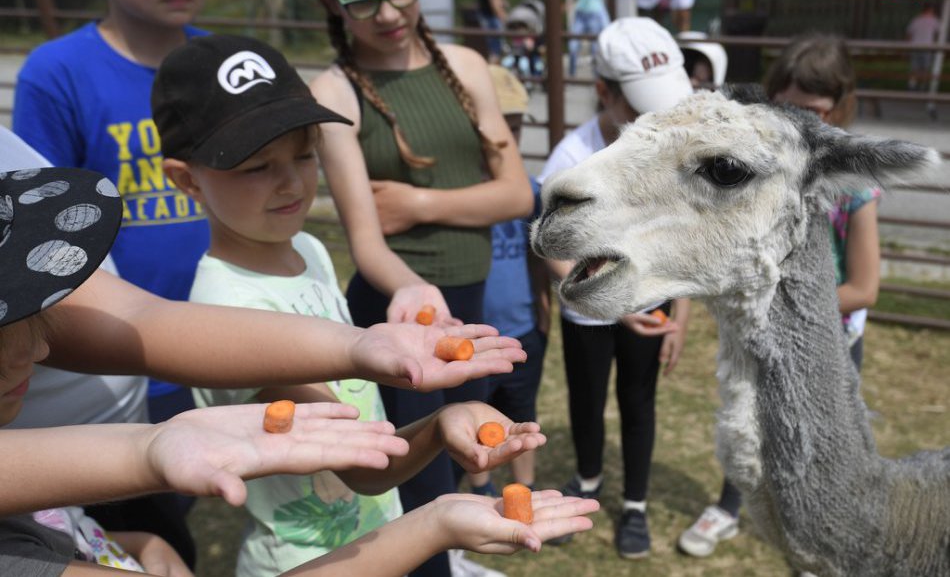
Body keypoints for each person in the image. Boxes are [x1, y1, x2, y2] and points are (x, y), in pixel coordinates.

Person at [0, 163, 599, 575]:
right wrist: (436, 523)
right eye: (8, 323)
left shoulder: (310, 251)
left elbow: (140, 316)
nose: (41, 350)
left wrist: (359, 347)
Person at [153, 34, 545, 577]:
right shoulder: (226, 307)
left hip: (373, 537)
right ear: (185, 180)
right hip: (309, 558)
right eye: (256, 167)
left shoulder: (307, 249)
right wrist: (440, 423)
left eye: (304, 153)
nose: (291, 181)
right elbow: (362, 469)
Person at [306, 0, 534, 574]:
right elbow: (368, 244)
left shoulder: (464, 65)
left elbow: (515, 193)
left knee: (459, 459)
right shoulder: (337, 92)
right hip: (404, 313)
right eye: (363, 0)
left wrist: (417, 201)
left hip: (469, 303)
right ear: (330, 0)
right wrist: (417, 290)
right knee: (415, 484)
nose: (388, 13)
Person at [9, 0, 226, 562]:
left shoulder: (216, 61)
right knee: (123, 518)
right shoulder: (58, 72)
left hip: (215, 334)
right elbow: (38, 232)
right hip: (117, 356)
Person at [677, 34, 880, 565]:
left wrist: (787, 306)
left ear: (837, 106)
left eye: (812, 110)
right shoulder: (753, 171)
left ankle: (820, 525)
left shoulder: (851, 184)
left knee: (816, 439)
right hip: (763, 336)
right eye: (786, 108)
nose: (798, 119)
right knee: (749, 421)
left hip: (829, 340)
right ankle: (728, 506)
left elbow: (864, 286)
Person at [537, 17, 692, 560]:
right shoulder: (569, 162)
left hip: (648, 304)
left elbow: (680, 234)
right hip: (589, 310)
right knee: (587, 395)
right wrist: (607, 300)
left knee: (638, 399)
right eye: (640, 107)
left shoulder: (666, 153)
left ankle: (636, 505)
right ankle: (587, 482)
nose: (655, 121)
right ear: (603, 92)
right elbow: (555, 250)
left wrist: (682, 312)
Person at [468, 66, 551, 501]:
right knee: (477, 416)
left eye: (517, 127)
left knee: (522, 411)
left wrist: (543, 310)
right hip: (474, 340)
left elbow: (541, 255)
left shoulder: (531, 191)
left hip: (521, 332)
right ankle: (481, 486)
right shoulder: (456, 196)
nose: (509, 139)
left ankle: (527, 488)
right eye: (503, 126)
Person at [906, 2, 940, 92]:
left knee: (914, 68)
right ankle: (922, 86)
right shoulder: (934, 21)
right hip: (927, 47)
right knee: (925, 68)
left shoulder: (916, 20)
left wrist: (908, 46)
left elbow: (909, 34)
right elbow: (938, 34)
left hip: (915, 46)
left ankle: (912, 85)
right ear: (930, 10)